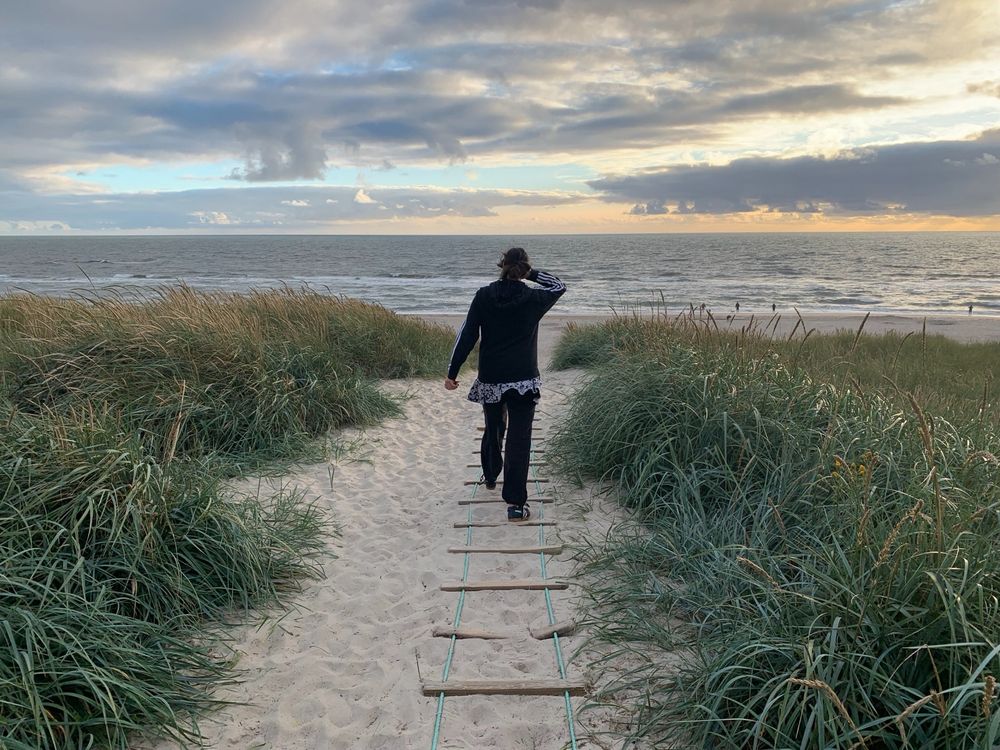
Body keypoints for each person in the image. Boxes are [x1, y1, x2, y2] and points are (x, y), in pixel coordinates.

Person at [444, 248, 566, 522]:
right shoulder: (534, 297)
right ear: (522, 268)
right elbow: (559, 285)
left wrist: (453, 371)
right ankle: (515, 504)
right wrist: (532, 273)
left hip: (492, 377)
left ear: (502, 266)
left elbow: (467, 335)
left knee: (494, 425)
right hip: (523, 378)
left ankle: (490, 474)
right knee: (519, 440)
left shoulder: (484, 296)